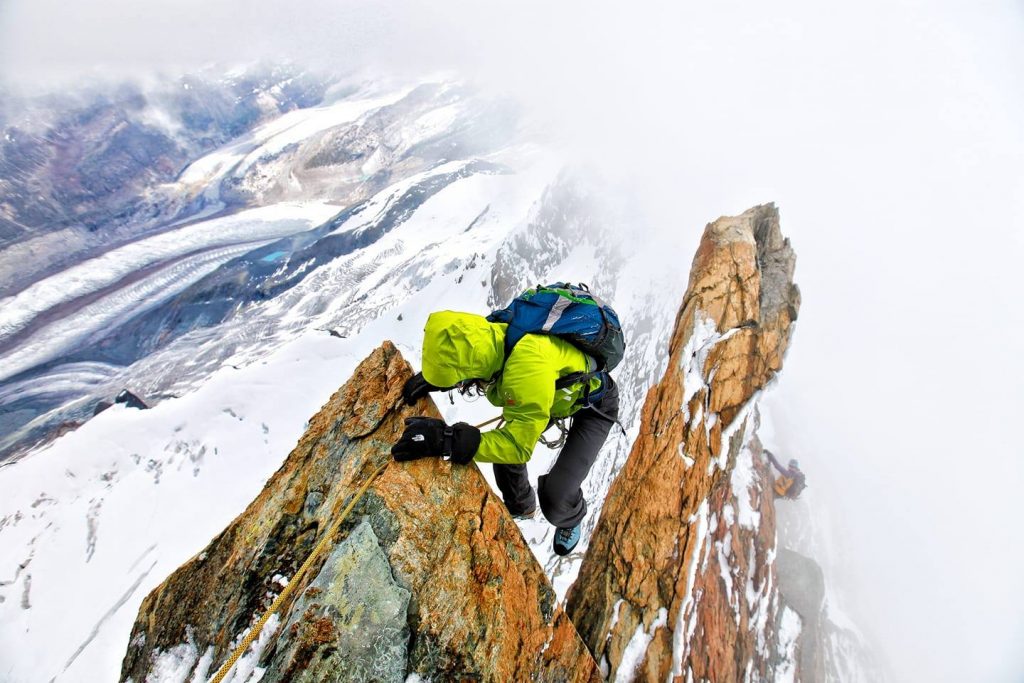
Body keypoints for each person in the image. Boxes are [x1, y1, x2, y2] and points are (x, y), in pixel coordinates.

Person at [391, 310, 620, 556]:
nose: (461, 384)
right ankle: (522, 508)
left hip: (593, 405)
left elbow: (518, 446)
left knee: (556, 497)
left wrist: (446, 440)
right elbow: (465, 348)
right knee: (504, 460)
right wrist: (440, 374)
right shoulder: (490, 332)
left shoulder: (526, 366)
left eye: (460, 381)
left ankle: (570, 518)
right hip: (552, 391)